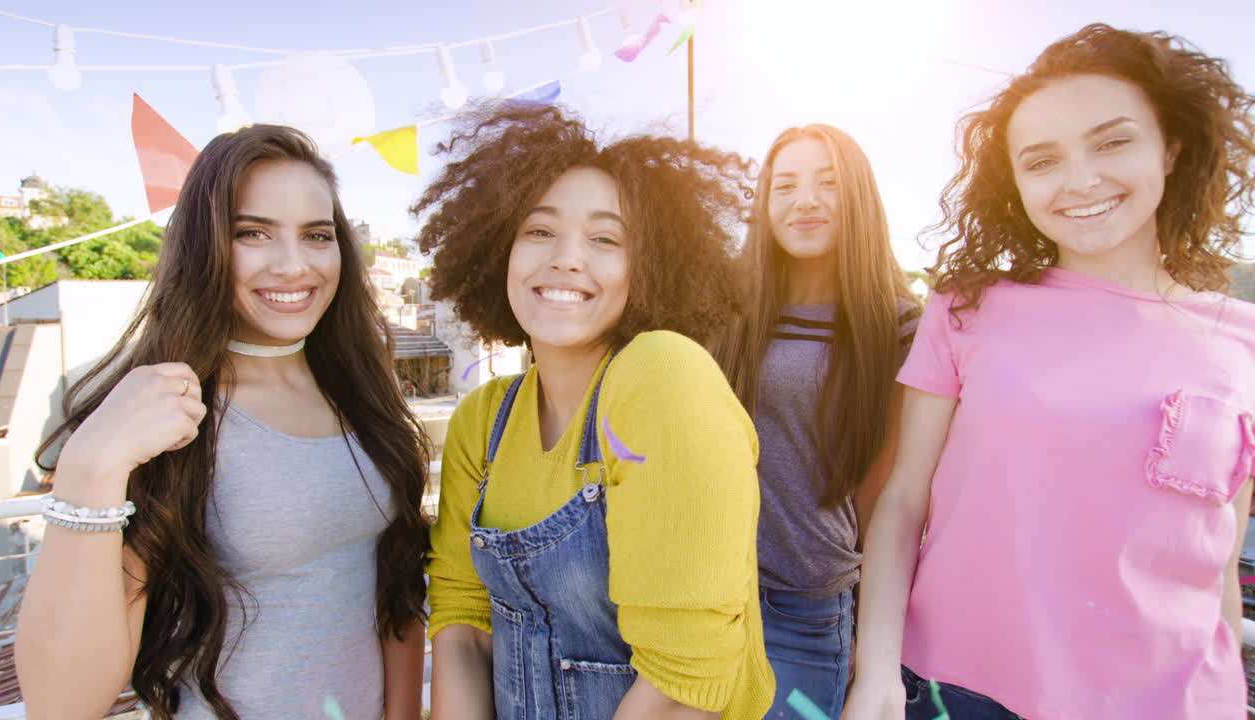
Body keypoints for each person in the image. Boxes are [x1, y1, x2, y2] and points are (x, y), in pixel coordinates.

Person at [845, 23, 1255, 720]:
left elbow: (1216, 554)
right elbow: (903, 500)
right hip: (965, 693)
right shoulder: (966, 309)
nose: (1081, 180)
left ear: (1172, 147)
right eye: (1042, 160)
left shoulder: (1244, 339)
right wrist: (876, 671)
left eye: (1113, 141)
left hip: (1181, 703)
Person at [16, 125, 429, 720]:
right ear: (205, 245)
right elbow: (62, 704)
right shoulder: (166, 415)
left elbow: (395, 592)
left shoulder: (363, 393)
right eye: (253, 233)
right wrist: (90, 465)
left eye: (317, 235)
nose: (294, 265)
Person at [419, 103, 776, 720]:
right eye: (539, 231)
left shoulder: (664, 376)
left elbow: (683, 683)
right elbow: (461, 615)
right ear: (496, 247)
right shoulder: (483, 419)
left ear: (652, 266)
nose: (568, 258)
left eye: (606, 239)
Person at [713, 124, 918, 719]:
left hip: (801, 610)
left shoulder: (898, 327)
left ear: (859, 198)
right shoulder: (724, 311)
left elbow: (886, 502)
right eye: (785, 185)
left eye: (827, 183)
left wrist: (875, 646)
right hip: (696, 595)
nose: (805, 200)